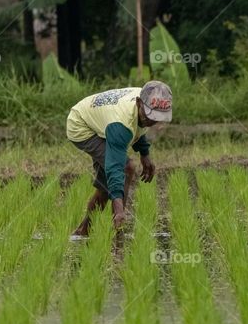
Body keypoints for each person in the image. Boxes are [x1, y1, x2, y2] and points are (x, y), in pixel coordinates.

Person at [66, 81, 173, 236]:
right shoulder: (121, 124)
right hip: (81, 125)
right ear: (138, 103)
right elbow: (115, 167)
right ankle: (118, 228)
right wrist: (119, 210)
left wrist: (144, 154)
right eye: (150, 116)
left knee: (105, 186)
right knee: (126, 167)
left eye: (157, 117)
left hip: (100, 118)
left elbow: (138, 126)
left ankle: (84, 230)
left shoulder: (149, 98)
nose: (152, 121)